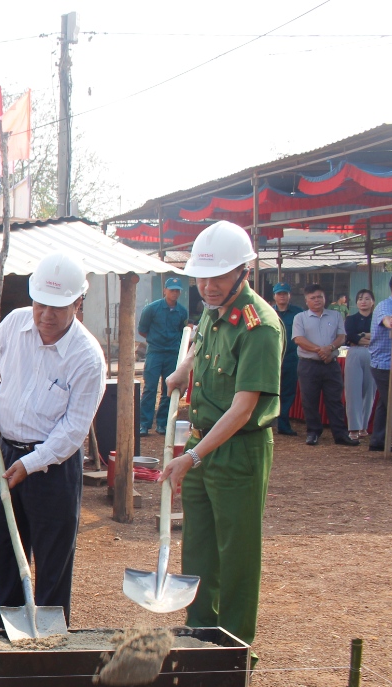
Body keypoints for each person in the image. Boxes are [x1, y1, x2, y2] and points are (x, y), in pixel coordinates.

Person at [161, 221, 283, 646]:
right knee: (198, 547)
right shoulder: (215, 314)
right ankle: (199, 636)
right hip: (201, 443)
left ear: (243, 272)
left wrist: (191, 457)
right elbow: (203, 346)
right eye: (202, 277)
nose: (208, 286)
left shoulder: (259, 326)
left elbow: (242, 409)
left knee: (237, 556)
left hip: (238, 449)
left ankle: (232, 650)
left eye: (218, 277)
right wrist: (183, 369)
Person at [0, 251, 105, 630]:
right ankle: (1, 622)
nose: (46, 316)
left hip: (53, 467)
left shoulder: (87, 358)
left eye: (58, 308)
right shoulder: (15, 323)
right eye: (40, 305)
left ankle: (49, 629)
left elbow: (73, 431)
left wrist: (30, 465)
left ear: (78, 303)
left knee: (53, 556)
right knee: (4, 548)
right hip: (6, 452)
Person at [292, 283, 358, 446]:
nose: (317, 300)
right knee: (309, 400)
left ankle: (340, 434)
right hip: (308, 365)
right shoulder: (300, 317)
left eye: (319, 297)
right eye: (312, 298)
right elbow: (298, 339)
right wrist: (321, 350)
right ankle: (313, 432)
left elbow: (342, 336)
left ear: (325, 298)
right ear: (306, 301)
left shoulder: (335, 315)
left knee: (335, 400)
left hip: (331, 365)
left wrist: (330, 348)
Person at [137, 276, 189, 436]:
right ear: (165, 290)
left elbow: (182, 331)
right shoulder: (152, 309)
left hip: (172, 354)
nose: (175, 293)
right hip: (155, 352)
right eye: (172, 290)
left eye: (177, 291)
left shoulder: (182, 311)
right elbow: (142, 330)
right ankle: (144, 424)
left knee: (169, 388)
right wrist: (155, 341)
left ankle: (162, 424)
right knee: (150, 388)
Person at [270, 283, 304, 435]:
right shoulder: (268, 312)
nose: (282, 296)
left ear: (289, 295)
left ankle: (283, 424)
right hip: (271, 358)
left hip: (291, 358)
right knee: (269, 391)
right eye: (279, 294)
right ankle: (267, 423)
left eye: (285, 293)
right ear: (274, 296)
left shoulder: (298, 313)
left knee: (288, 392)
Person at [343, 289, 377, 441]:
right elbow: (350, 337)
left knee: (370, 391)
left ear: (373, 302)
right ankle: (353, 427)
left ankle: (364, 426)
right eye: (360, 298)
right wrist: (366, 336)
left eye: (367, 298)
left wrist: (362, 336)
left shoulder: (377, 318)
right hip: (355, 353)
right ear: (356, 302)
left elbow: (378, 337)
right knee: (353, 391)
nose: (363, 301)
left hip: (373, 354)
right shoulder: (351, 319)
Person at [369, 277, 392, 452]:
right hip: (384, 364)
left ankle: (378, 441)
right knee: (391, 402)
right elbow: (387, 320)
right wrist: (389, 322)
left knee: (386, 404)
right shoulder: (385, 305)